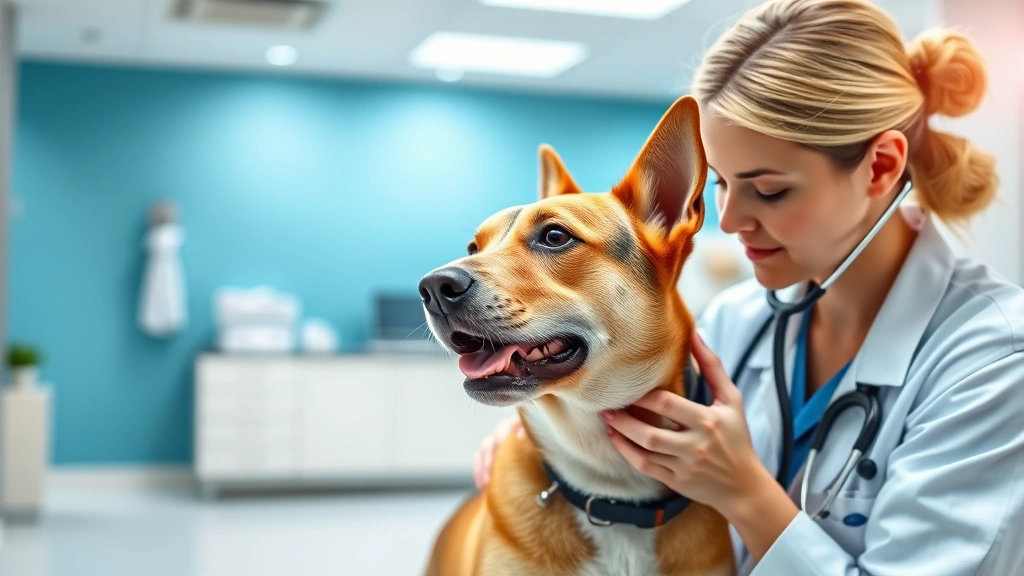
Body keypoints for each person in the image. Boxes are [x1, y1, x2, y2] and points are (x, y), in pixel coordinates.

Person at [470, 0, 1024, 573]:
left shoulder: (994, 361)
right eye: (720, 185)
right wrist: (536, 442)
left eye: (770, 190)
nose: (729, 222)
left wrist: (745, 495)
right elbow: (628, 412)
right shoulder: (737, 322)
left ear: (881, 167)